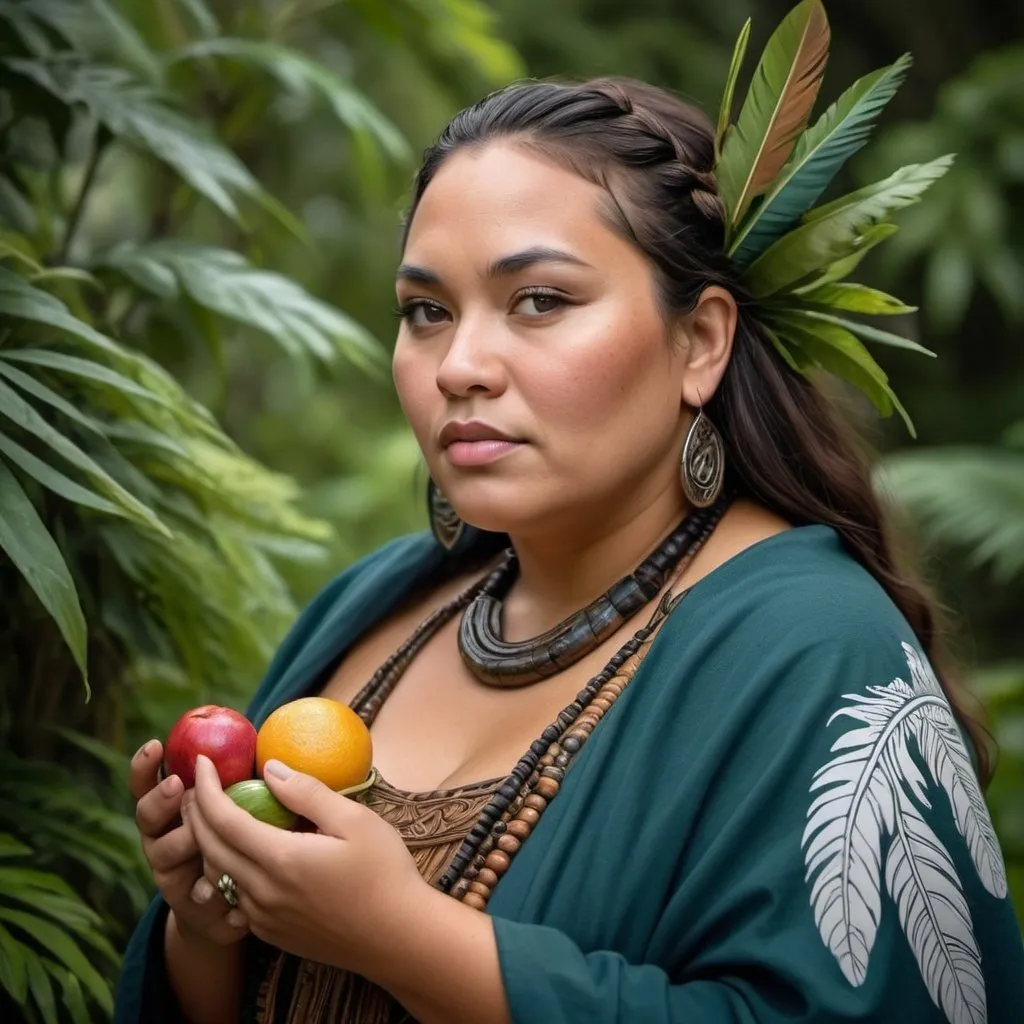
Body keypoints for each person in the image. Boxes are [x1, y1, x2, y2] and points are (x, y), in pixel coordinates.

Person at [115, 4, 1024, 1022]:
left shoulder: (815, 648)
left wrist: (396, 932)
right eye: (426, 312)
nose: (459, 366)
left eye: (539, 300)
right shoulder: (371, 604)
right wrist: (209, 920)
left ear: (701, 342)